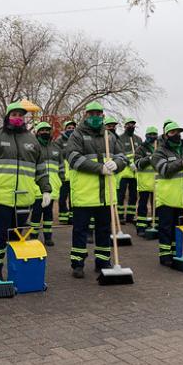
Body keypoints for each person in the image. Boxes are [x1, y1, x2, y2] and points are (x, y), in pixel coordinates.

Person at [0, 102, 51, 279]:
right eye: (14, 114)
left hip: (24, 198)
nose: (18, 118)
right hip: (0, 197)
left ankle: (15, 271)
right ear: (7, 116)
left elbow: (40, 168)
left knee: (17, 237)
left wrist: (46, 189)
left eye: (21, 115)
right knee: (0, 238)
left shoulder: (32, 140)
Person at [65, 101, 127, 278]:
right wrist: (99, 168)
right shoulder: (77, 135)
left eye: (98, 114)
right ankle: (77, 264)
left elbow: (123, 157)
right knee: (80, 232)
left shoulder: (110, 137)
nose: (95, 117)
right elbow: (73, 158)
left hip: (105, 195)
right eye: (91, 114)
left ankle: (102, 262)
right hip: (84, 194)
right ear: (86, 115)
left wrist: (117, 164)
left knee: (103, 231)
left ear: (102, 116)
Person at [151, 122, 183, 266]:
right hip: (166, 197)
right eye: (172, 133)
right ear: (166, 135)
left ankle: (176, 253)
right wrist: (181, 163)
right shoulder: (159, 152)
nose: (176, 135)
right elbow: (164, 170)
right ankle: (165, 256)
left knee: (178, 228)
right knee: (166, 228)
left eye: (178, 132)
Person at [29, 122, 64, 246]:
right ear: (37, 132)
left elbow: (61, 167)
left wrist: (61, 180)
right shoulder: (33, 147)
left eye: (47, 130)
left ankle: (48, 237)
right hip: (36, 187)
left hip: (53, 187)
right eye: (42, 130)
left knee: (48, 214)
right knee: (36, 214)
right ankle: (33, 236)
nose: (45, 132)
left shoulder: (56, 148)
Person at [117, 118, 143, 224]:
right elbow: (120, 153)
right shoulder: (120, 139)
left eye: (133, 124)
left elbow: (141, 153)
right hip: (124, 172)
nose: (131, 126)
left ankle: (130, 216)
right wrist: (129, 163)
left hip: (135, 173)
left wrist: (138, 163)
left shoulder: (138, 139)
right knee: (121, 195)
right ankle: (120, 216)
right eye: (129, 125)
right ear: (125, 126)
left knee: (133, 196)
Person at [134, 126, 158, 235]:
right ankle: (141, 228)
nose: (152, 136)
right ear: (146, 135)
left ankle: (156, 225)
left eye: (154, 134)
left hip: (157, 182)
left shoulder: (160, 147)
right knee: (143, 205)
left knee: (157, 206)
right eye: (150, 134)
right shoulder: (141, 148)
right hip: (144, 182)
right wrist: (149, 159)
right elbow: (137, 163)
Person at [57, 120, 77, 224]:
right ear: (65, 129)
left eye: (73, 128)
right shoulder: (60, 141)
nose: (71, 130)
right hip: (64, 176)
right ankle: (63, 216)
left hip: (74, 175)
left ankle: (72, 217)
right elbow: (57, 154)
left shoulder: (78, 140)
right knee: (62, 198)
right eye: (69, 128)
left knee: (73, 199)